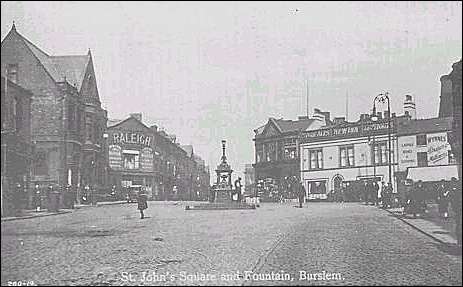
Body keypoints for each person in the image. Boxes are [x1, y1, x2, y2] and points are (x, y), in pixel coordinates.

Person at [449, 177, 462, 246]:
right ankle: (459, 242)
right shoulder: (457, 188)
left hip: (458, 210)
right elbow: (453, 199)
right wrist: (455, 208)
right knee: (459, 226)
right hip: (459, 210)